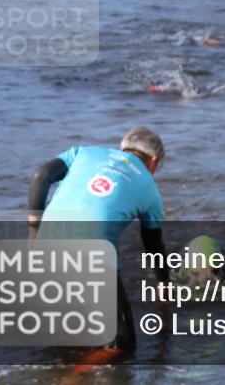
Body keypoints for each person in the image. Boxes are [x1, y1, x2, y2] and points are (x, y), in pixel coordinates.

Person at [28, 126, 169, 354]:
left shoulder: (82, 153)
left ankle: (64, 363)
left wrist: (34, 232)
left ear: (123, 148)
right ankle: (66, 380)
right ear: (154, 161)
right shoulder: (150, 189)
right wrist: (164, 286)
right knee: (120, 346)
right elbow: (153, 246)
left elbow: (41, 175)